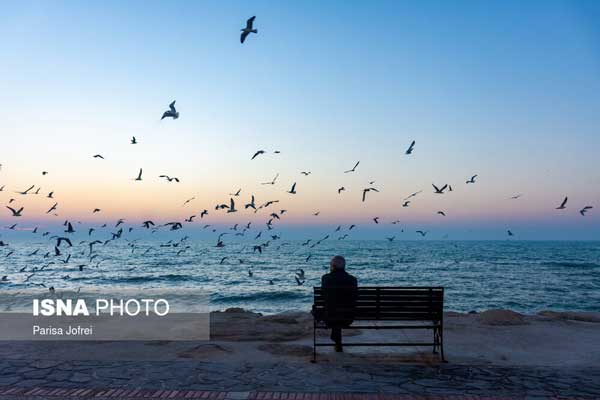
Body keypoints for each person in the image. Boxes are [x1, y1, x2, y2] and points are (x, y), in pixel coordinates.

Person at [319, 255, 358, 352]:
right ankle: (337, 341)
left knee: (331, 309)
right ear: (344, 266)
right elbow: (355, 298)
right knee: (339, 309)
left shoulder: (326, 278)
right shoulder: (352, 280)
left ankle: (337, 340)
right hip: (348, 318)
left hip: (329, 317)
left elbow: (322, 297)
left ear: (332, 266)